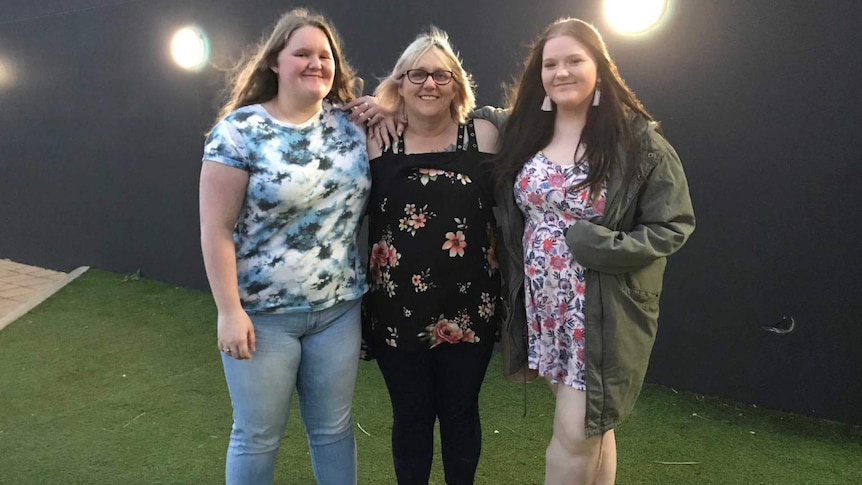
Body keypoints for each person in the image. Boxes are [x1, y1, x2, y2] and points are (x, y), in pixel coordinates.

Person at [486, 18, 695, 485]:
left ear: (600, 67)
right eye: (550, 63)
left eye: (575, 60)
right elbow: (470, 113)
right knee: (594, 427)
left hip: (602, 312)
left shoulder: (638, 144)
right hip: (546, 307)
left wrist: (600, 245)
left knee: (576, 433)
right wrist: (385, 103)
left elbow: (672, 225)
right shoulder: (527, 131)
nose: (562, 72)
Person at [199, 8, 376, 484]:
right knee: (257, 435)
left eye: (325, 56)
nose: (315, 63)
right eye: (302, 53)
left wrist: (389, 103)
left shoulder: (352, 125)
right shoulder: (239, 132)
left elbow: (414, 112)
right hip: (262, 318)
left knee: (334, 429)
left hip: (339, 311)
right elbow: (216, 229)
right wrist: (228, 311)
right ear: (275, 61)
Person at [362, 28, 501, 485]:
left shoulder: (483, 135)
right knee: (411, 417)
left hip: (470, 310)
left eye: (441, 76)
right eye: (416, 74)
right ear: (399, 83)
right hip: (396, 311)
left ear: (457, 85)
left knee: (461, 415)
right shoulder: (377, 141)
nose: (429, 84)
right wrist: (372, 107)